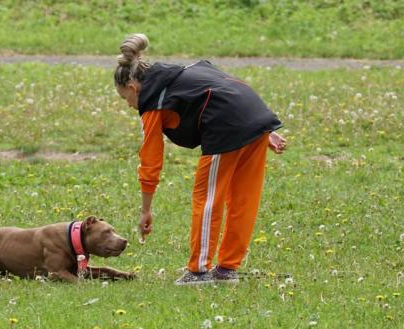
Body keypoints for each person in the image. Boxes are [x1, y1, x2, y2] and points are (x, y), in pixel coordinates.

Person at [113, 34, 287, 285]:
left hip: (227, 126)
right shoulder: (185, 73)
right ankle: (227, 270)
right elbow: (228, 89)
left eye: (125, 99)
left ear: (133, 87)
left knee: (208, 198)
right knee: (243, 199)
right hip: (255, 117)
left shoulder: (153, 101)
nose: (128, 105)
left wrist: (146, 210)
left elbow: (151, 161)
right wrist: (262, 130)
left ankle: (199, 272)